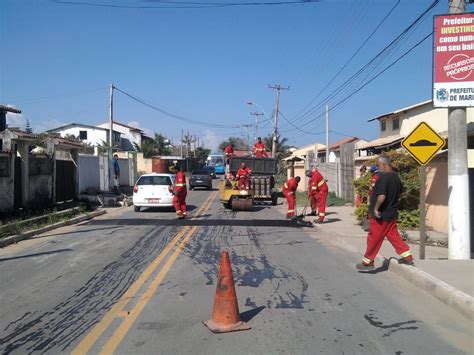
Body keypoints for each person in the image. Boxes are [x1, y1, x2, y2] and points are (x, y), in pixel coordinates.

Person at [356, 156, 414, 271]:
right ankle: (407, 257)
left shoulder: (383, 178)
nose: (377, 168)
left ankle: (368, 262)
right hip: (391, 213)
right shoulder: (396, 177)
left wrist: (376, 208)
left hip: (381, 215)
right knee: (393, 236)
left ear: (384, 164)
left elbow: (382, 195)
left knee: (374, 238)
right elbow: (402, 194)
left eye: (378, 165)